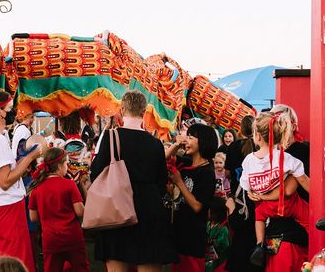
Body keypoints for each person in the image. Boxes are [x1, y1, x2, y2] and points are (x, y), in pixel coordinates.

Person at [90, 90, 177, 272]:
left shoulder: (111, 138)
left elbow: (95, 174)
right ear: (144, 111)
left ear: (122, 110)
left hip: (116, 211)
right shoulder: (155, 144)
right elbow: (161, 180)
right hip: (149, 211)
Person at [0, 89, 43, 271]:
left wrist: (24, 159)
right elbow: (5, 181)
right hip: (6, 209)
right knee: (14, 262)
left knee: (1, 261)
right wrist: (30, 158)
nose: (13, 112)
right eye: (10, 108)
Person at [239, 112, 309, 270]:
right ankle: (319, 244)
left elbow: (245, 183)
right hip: (287, 204)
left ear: (257, 136)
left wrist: (252, 192)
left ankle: (259, 245)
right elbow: (301, 177)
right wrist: (315, 193)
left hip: (265, 206)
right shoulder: (284, 157)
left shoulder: (249, 160)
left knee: (259, 217)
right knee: (309, 218)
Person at [168, 122, 218, 272]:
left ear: (202, 141)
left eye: (190, 138)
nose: (186, 141)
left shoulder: (207, 172)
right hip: (178, 233)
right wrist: (177, 144)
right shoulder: (187, 163)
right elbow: (164, 158)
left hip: (193, 237)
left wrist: (179, 182)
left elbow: (198, 206)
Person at [28, 147, 88, 272]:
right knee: (80, 268)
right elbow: (80, 211)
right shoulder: (69, 184)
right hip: (72, 237)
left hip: (50, 239)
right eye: (66, 163)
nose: (67, 167)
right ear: (60, 166)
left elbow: (33, 218)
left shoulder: (36, 188)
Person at [206, 197, 231, 272]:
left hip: (218, 262)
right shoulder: (207, 224)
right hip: (207, 258)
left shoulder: (222, 228)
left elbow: (224, 244)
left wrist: (213, 242)